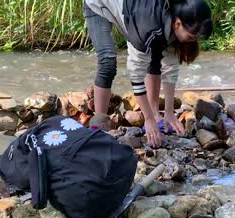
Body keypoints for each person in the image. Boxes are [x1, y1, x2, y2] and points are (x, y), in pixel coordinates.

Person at [84, 0, 213, 147]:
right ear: (178, 24)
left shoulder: (177, 13)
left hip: (136, 12)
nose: (193, 42)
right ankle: (100, 129)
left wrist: (169, 113)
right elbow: (136, 74)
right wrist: (148, 119)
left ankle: (155, 114)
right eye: (191, 37)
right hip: (99, 4)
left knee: (154, 58)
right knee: (108, 62)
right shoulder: (148, 27)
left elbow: (170, 68)